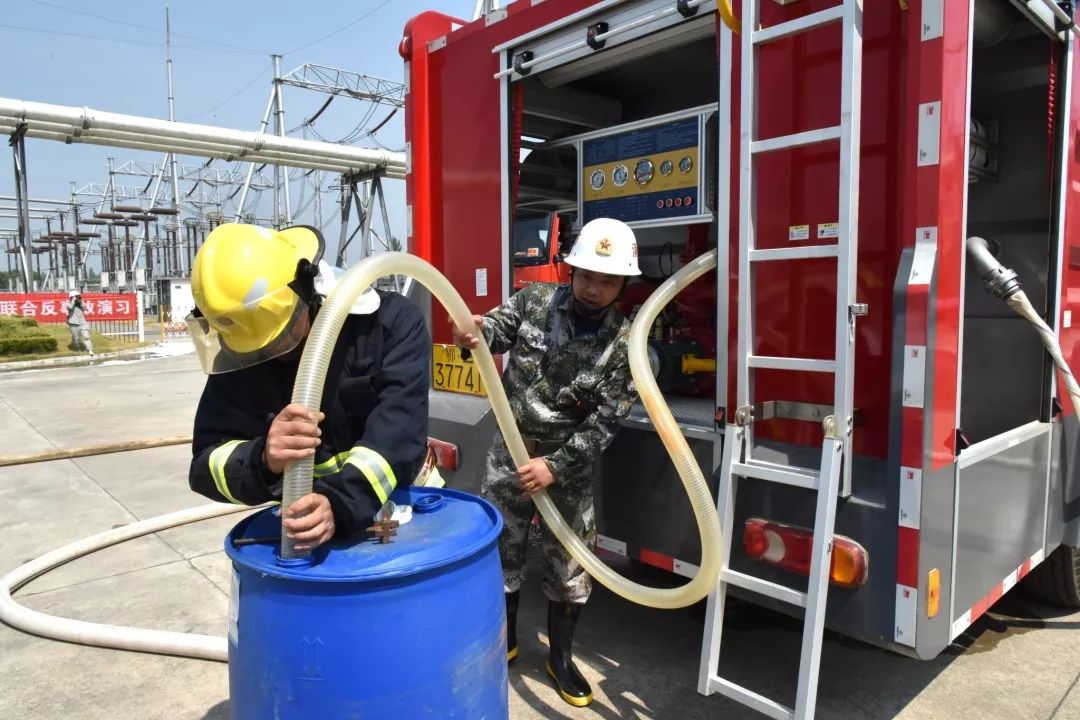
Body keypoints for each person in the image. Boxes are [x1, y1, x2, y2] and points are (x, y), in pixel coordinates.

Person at [452, 217, 641, 707]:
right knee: (502, 551)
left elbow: (604, 423)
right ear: (570, 270)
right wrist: (473, 332)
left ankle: (560, 659)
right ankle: (506, 639)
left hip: (567, 467)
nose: (594, 288)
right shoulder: (533, 301)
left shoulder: (624, 345)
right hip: (509, 454)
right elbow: (494, 329)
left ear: (622, 285)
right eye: (586, 276)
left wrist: (556, 466)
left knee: (569, 565)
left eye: (607, 280)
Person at [186, 223, 430, 551]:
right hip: (305, 529)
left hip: (404, 513)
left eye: (282, 334)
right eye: (255, 346)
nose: (268, 353)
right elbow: (205, 466)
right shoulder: (242, 347)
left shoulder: (388, 324)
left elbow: (398, 432)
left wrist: (339, 502)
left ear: (307, 290)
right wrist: (263, 458)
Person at [66, 290, 93, 355]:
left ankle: (90, 349)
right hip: (73, 323)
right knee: (76, 338)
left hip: (82, 322)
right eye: (75, 297)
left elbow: (85, 308)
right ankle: (78, 349)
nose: (77, 298)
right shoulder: (68, 304)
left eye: (77, 296)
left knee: (86, 336)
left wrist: (80, 302)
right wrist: (73, 301)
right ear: (71, 297)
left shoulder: (81, 303)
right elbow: (70, 307)